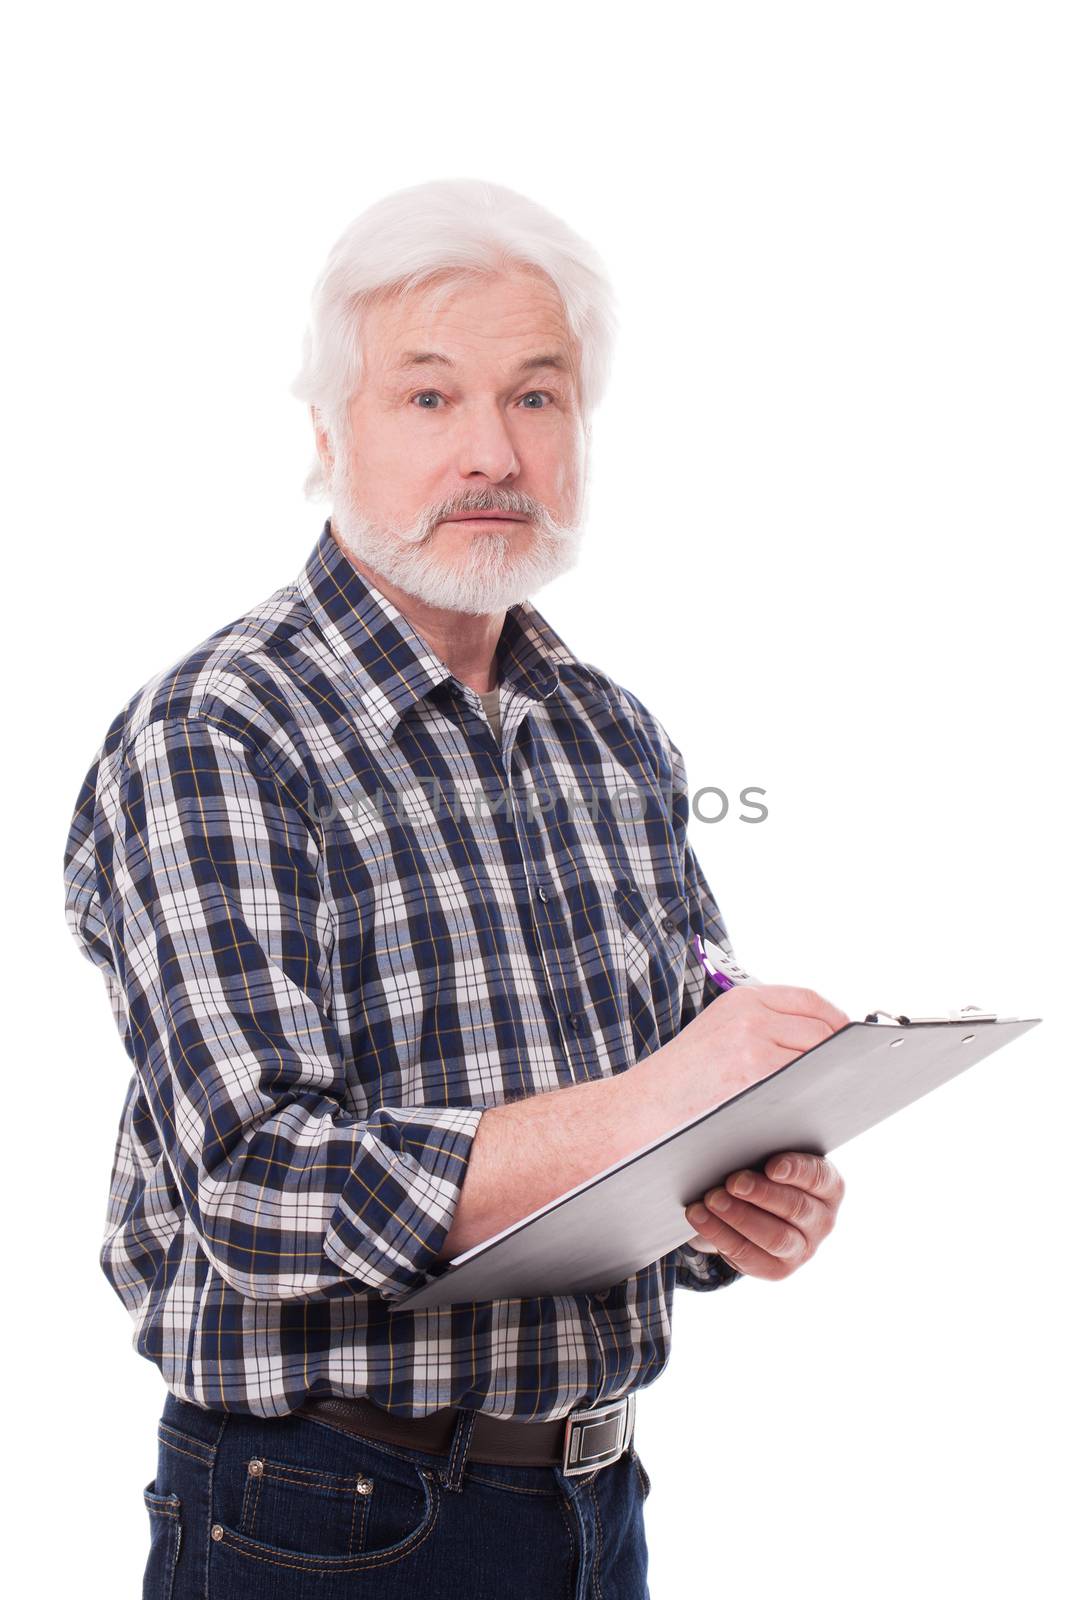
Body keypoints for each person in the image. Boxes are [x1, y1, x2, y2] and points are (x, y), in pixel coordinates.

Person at [62, 177, 849, 1600]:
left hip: (601, 1505)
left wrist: (739, 1193)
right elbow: (254, 1184)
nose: (494, 450)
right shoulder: (218, 733)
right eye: (429, 399)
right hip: (320, 1517)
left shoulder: (613, 734)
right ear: (327, 432)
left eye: (538, 399)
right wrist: (668, 1104)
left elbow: (677, 1078)